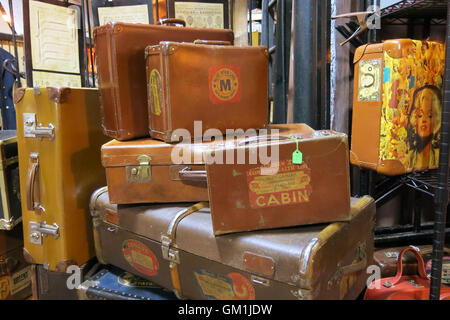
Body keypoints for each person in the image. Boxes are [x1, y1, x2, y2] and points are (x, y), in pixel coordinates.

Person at [406, 85, 442, 170]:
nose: (424, 120)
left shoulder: (439, 157)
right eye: (420, 115)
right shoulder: (407, 158)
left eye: (430, 116)